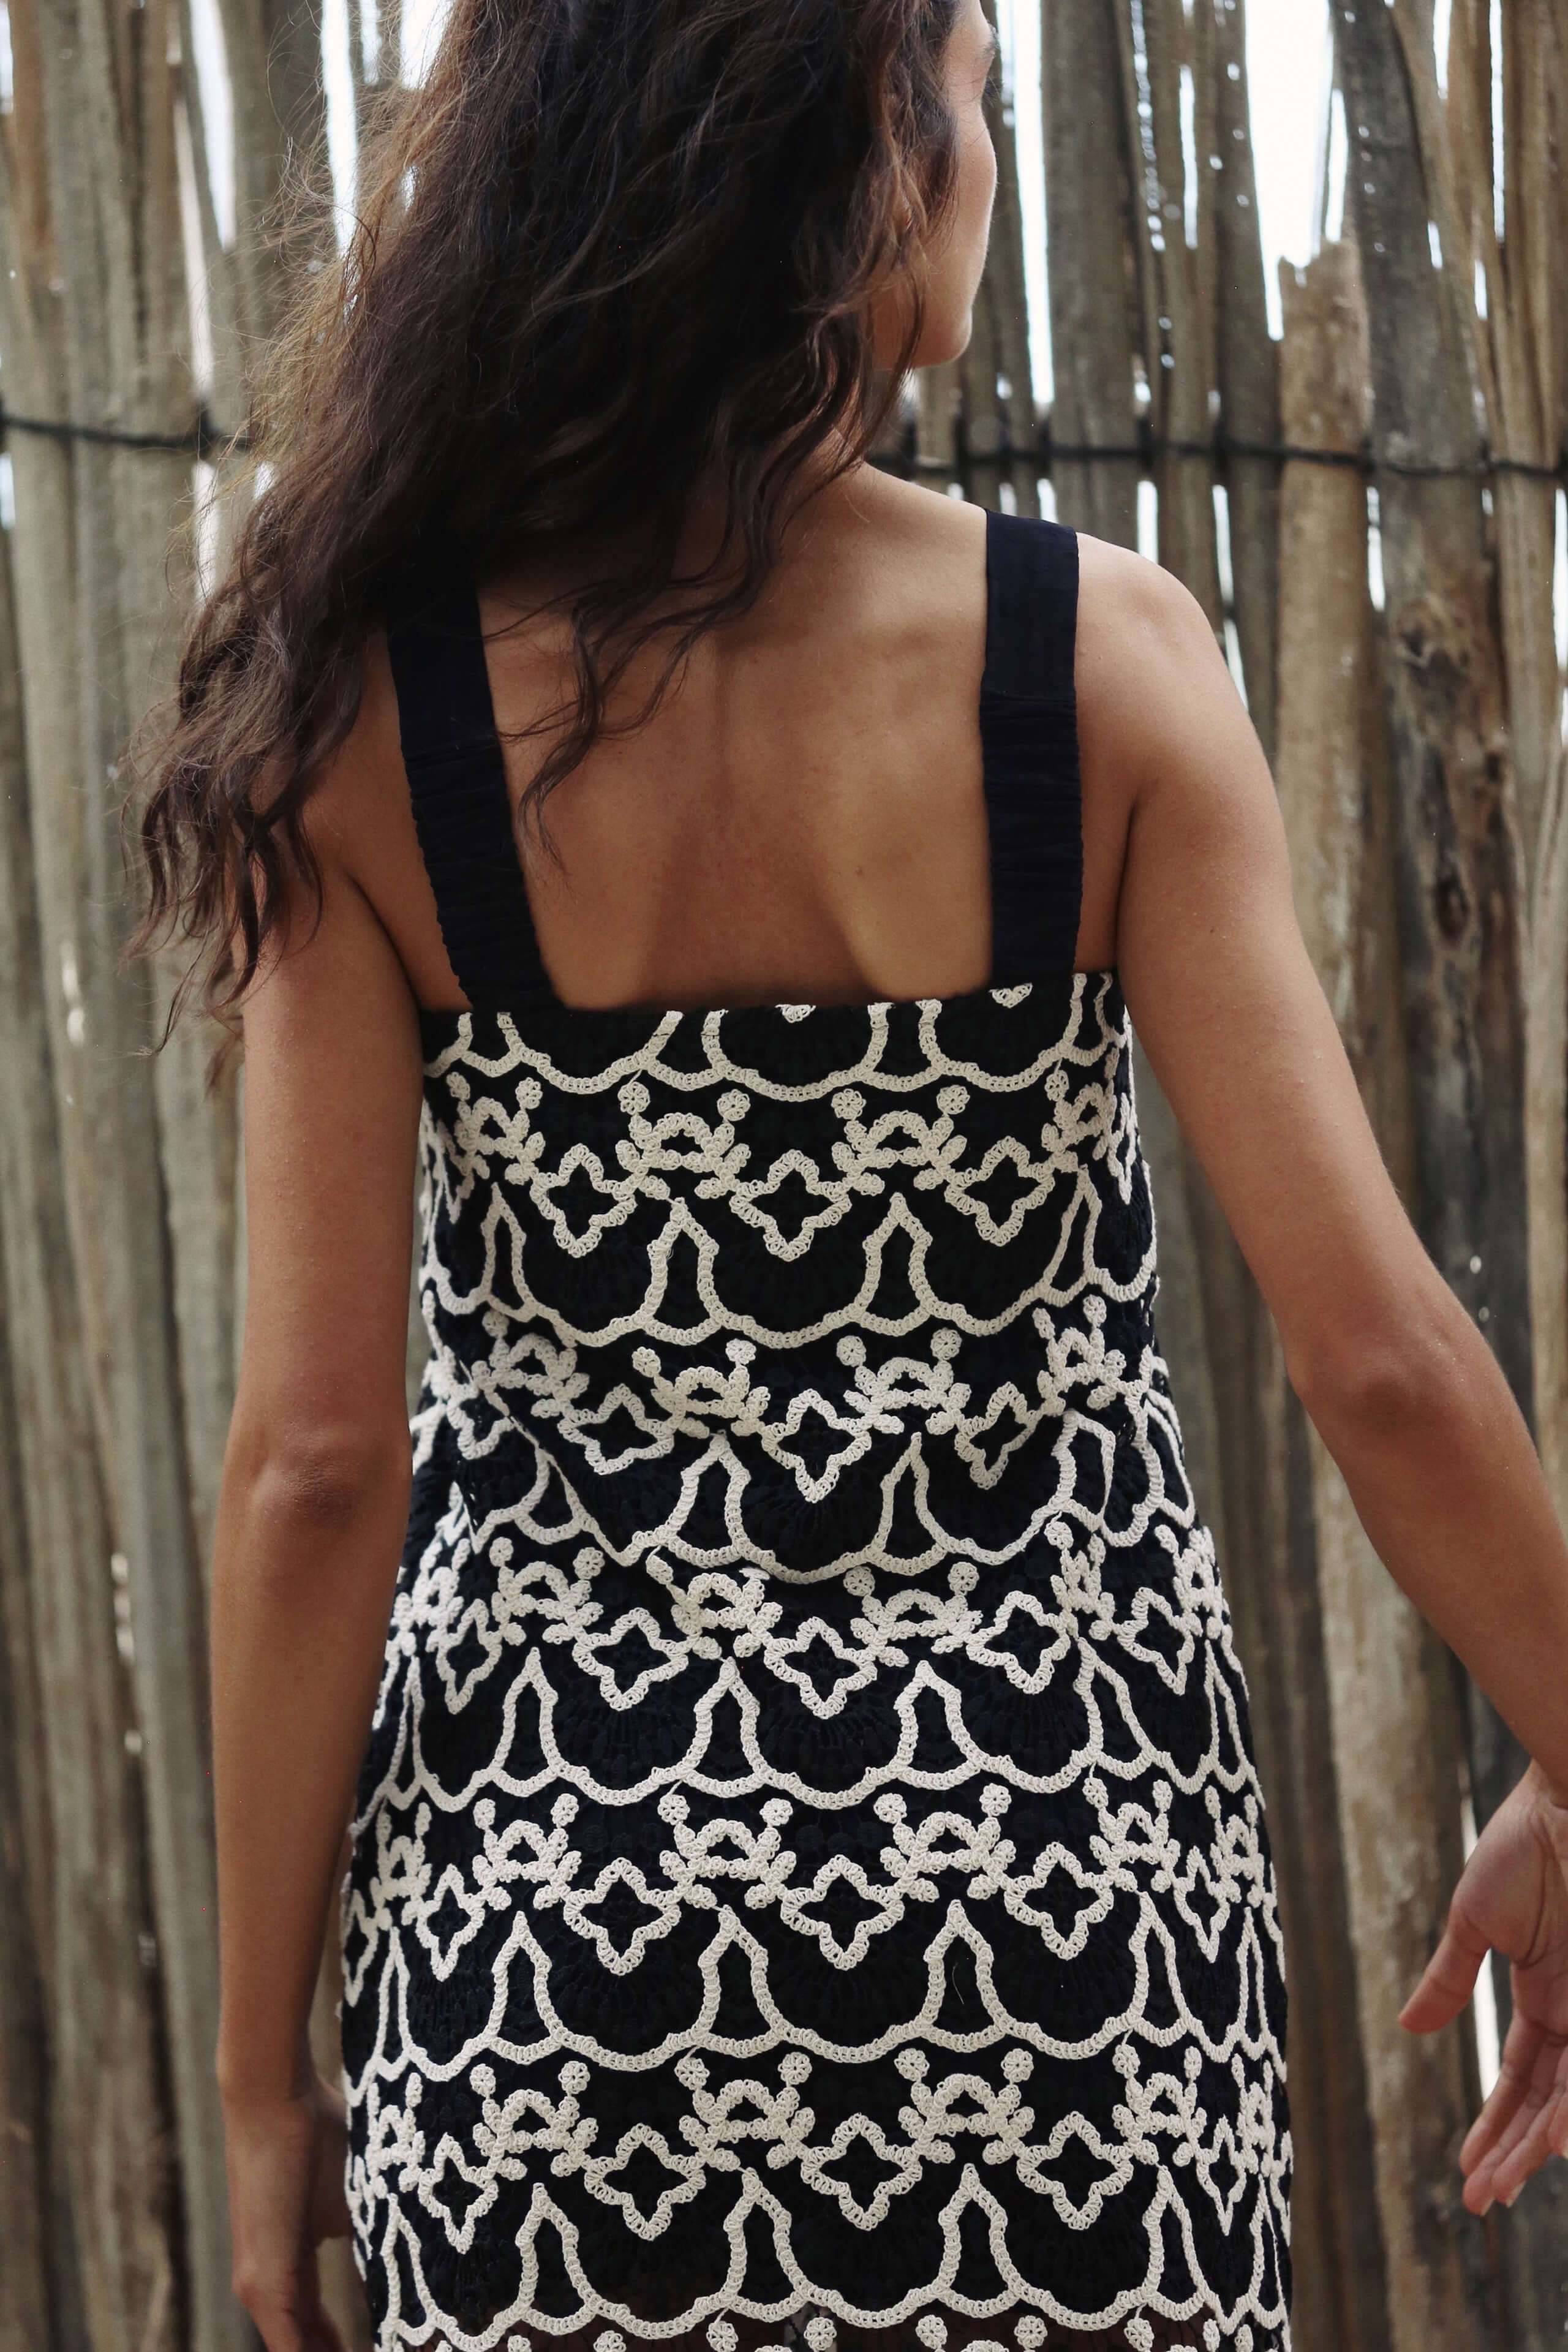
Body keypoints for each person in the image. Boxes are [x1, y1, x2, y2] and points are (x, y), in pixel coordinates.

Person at [137, 1, 1568, 2346]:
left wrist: (258, 2079)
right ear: (861, 168)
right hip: (1068, 1955)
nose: (990, 155)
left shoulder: (364, 732)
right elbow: (1386, 1363)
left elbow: (314, 1467)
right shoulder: (1101, 668)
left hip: (564, 1962)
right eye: (976, 91)